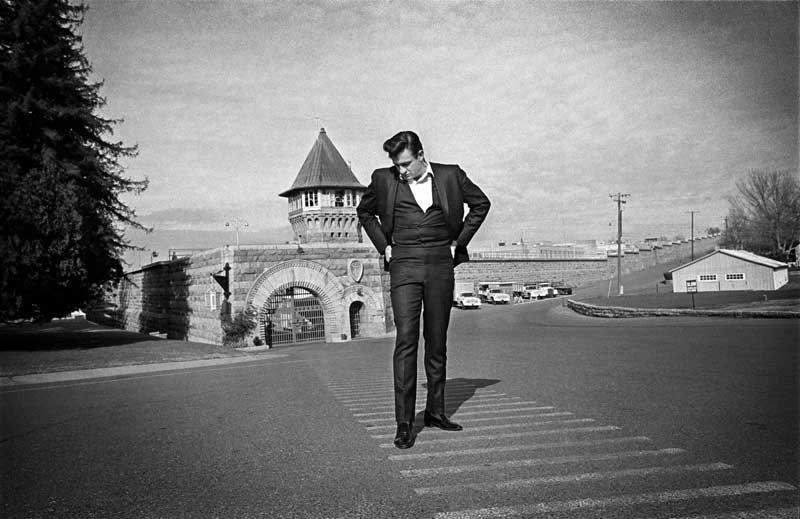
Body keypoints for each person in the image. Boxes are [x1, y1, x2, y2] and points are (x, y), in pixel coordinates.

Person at [356, 131, 491, 449]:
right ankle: (404, 423)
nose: (400, 171)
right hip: (403, 264)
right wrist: (383, 245)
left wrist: (461, 240)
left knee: (437, 341)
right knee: (406, 340)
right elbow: (365, 212)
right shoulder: (383, 179)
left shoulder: (450, 175)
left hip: (440, 265)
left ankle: (436, 411)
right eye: (396, 165)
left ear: (420, 155)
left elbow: (481, 205)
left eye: (405, 164)